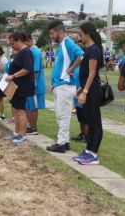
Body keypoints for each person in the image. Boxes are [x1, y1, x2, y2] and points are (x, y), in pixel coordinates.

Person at [46, 20, 84, 153]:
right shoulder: (62, 45)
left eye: (52, 33)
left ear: (59, 31)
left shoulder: (68, 43)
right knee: (61, 115)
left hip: (66, 85)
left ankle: (61, 143)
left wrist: (71, 69)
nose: (51, 36)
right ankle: (65, 142)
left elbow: (81, 56)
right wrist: (55, 83)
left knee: (63, 115)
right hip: (60, 85)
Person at [72, 22, 104, 165]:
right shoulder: (88, 50)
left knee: (95, 122)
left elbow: (92, 73)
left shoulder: (93, 50)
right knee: (89, 122)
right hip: (87, 89)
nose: (79, 37)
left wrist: (85, 91)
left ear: (88, 34)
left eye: (80, 34)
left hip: (92, 91)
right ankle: (88, 151)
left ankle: (94, 154)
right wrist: (81, 89)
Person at [5, 32, 34, 144]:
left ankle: (23, 135)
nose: (12, 46)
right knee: (16, 110)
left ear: (18, 41)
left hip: (22, 86)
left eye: (12, 44)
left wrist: (13, 76)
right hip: (15, 86)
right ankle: (16, 133)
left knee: (21, 111)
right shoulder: (20, 52)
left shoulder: (26, 52)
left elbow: (27, 68)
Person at [24, 33, 46, 135]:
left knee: (33, 107)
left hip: (34, 84)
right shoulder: (31, 51)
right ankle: (30, 125)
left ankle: (33, 128)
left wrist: (30, 83)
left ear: (28, 40)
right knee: (28, 106)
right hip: (30, 83)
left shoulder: (35, 52)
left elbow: (35, 71)